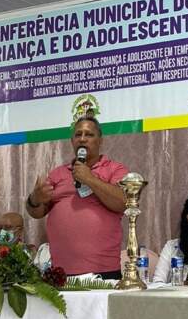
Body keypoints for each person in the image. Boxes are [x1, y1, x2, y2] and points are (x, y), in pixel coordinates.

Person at [26, 116, 128, 278]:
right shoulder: (57, 173)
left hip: (103, 271)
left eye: (89, 134)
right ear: (72, 141)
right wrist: (35, 199)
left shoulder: (115, 169)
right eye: (78, 134)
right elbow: (36, 212)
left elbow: (123, 202)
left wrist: (90, 179)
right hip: (61, 273)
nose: (82, 139)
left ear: (100, 140)